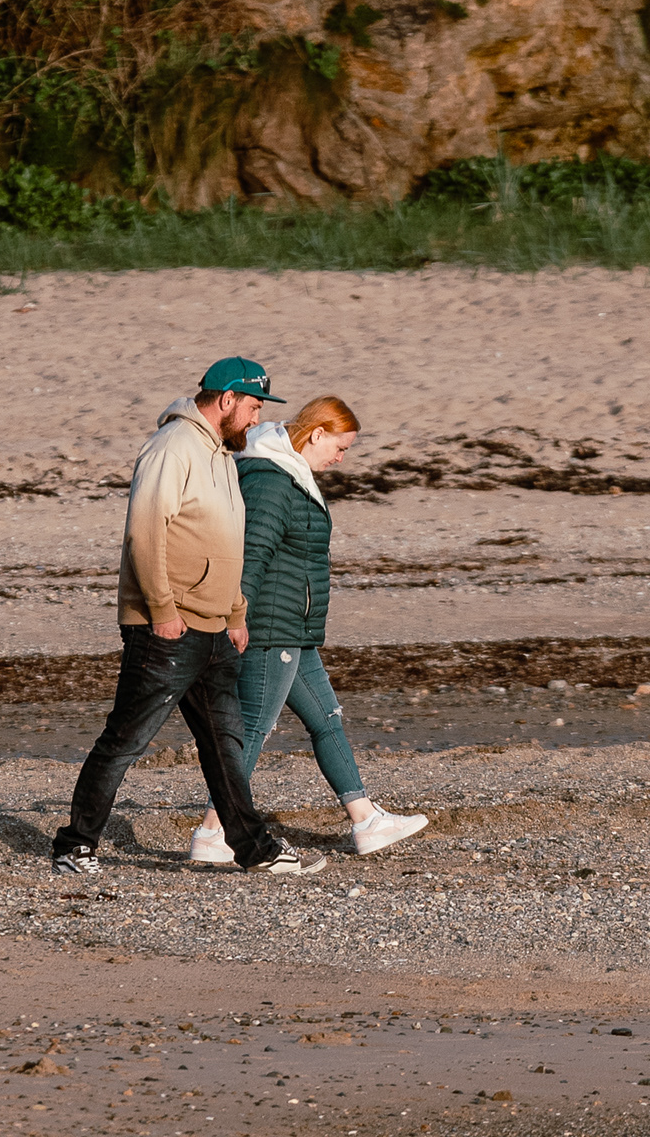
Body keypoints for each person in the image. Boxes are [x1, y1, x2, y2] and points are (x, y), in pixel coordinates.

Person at [52, 357, 328, 879]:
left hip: (215, 628)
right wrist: (162, 610)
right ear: (226, 399)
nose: (257, 418)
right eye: (253, 407)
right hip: (168, 628)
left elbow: (228, 542)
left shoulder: (222, 453)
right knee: (127, 739)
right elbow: (144, 532)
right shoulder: (172, 447)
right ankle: (75, 845)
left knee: (225, 745)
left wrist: (236, 613)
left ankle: (254, 850)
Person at [189, 393, 429, 864]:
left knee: (326, 718)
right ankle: (214, 832)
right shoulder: (270, 479)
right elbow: (252, 553)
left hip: (292, 628)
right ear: (317, 434)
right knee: (253, 729)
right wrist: (237, 618)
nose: (341, 459)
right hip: (268, 628)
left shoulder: (291, 474)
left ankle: (366, 821)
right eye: (340, 447)